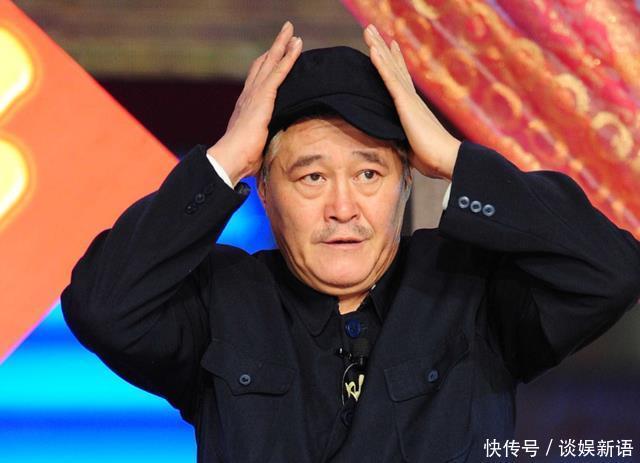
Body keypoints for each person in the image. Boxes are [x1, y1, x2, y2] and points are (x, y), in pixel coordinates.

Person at [61, 21, 640, 462]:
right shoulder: (221, 300)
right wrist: (223, 161)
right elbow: (102, 306)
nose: (343, 208)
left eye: (369, 174)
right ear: (265, 192)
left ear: (406, 182)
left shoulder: (472, 288)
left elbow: (610, 273)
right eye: (311, 177)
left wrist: (454, 159)